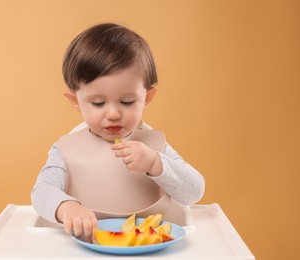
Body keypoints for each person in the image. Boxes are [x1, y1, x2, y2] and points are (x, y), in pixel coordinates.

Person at [31, 23, 205, 242]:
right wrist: (66, 207)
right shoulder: (66, 150)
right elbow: (41, 191)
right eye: (97, 103)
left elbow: (194, 192)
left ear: (147, 98)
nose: (113, 113)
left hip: (148, 247)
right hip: (83, 247)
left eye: (127, 101)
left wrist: (156, 164)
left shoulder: (153, 145)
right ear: (76, 101)